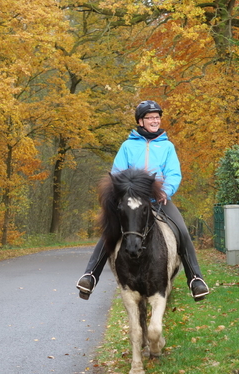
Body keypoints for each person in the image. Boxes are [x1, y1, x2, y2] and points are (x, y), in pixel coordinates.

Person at [76, 100, 209, 302]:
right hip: (132, 202)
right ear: (141, 121)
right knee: (111, 229)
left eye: (157, 117)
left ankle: (196, 279)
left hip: (159, 200)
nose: (155, 121)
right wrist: (124, 194)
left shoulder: (167, 146)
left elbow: (174, 173)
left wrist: (165, 191)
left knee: (181, 230)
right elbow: (118, 174)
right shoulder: (128, 146)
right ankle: (91, 275)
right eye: (150, 118)